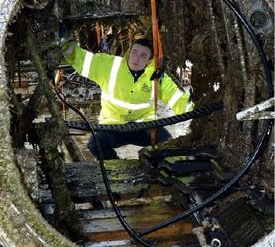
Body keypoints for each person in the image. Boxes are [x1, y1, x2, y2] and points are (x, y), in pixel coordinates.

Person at [62, 38, 194, 159]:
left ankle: (154, 167)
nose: (136, 59)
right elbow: (81, 59)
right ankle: (114, 165)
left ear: (149, 61)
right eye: (135, 52)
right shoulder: (109, 66)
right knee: (94, 144)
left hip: (144, 128)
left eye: (143, 56)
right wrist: (64, 43)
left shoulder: (156, 76)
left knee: (167, 143)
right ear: (129, 52)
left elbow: (175, 97)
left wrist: (195, 108)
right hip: (113, 127)